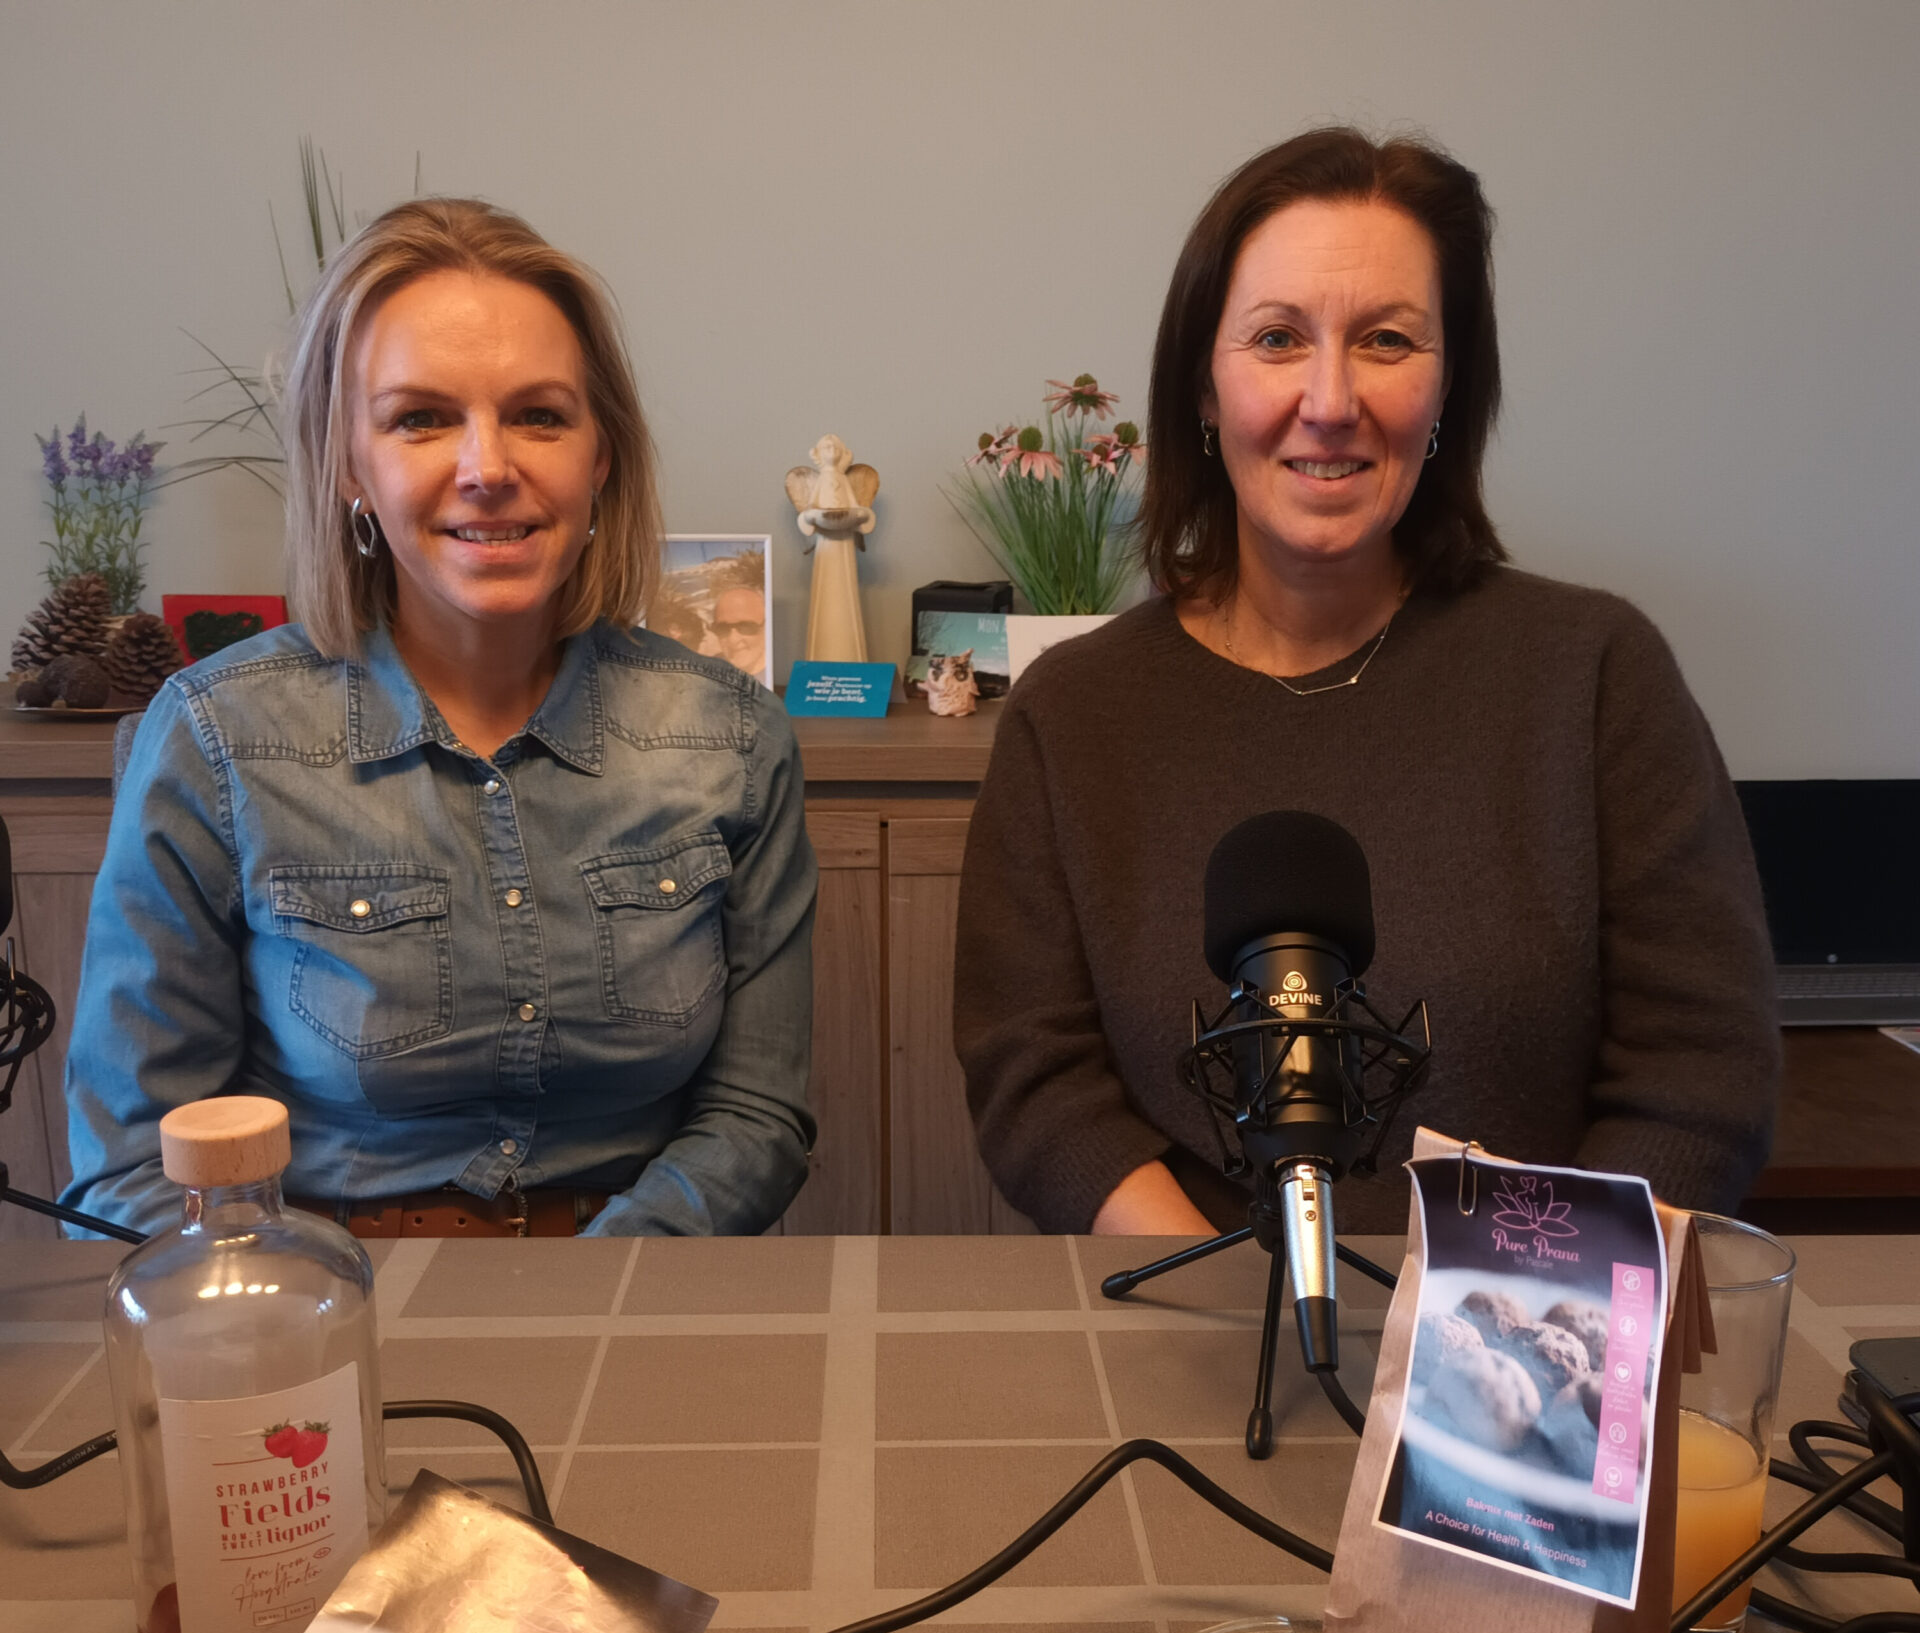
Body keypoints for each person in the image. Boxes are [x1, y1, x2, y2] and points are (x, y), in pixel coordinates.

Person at [953, 128, 1778, 1237]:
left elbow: (1700, 1077)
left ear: (1448, 393)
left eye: (1387, 340)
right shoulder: (1073, 713)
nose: (1331, 400)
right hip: (1184, 1331)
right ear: (1204, 384)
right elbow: (1035, 1077)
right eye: (1279, 338)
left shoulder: (1594, 676)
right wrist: (1220, 1304)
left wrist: (1516, 1333)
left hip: (1525, 1352)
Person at [64, 198, 816, 1238]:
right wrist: (323, 1314)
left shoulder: (732, 738)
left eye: (540, 415)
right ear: (346, 466)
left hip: (646, 1293)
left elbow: (756, 1117)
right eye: (420, 417)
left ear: (601, 456)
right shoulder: (213, 738)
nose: (488, 467)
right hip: (312, 1309)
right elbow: (132, 1165)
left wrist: (596, 1296)